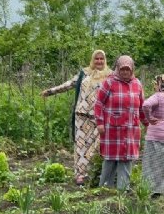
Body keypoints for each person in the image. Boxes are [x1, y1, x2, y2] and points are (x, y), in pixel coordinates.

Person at [41, 49, 112, 186]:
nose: (99, 61)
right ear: (92, 60)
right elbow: (69, 84)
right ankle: (80, 175)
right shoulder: (84, 73)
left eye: (101, 59)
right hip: (82, 115)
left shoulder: (110, 76)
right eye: (96, 59)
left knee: (98, 146)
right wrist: (50, 91)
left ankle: (95, 173)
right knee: (81, 146)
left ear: (105, 60)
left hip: (100, 117)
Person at [94, 55, 148, 190]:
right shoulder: (110, 82)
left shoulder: (137, 84)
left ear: (132, 70)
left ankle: (123, 189)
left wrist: (147, 123)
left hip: (131, 128)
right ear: (117, 68)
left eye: (127, 70)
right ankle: (105, 188)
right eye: (122, 69)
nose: (125, 72)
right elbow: (99, 103)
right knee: (110, 159)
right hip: (112, 128)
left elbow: (142, 106)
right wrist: (100, 122)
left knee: (127, 158)